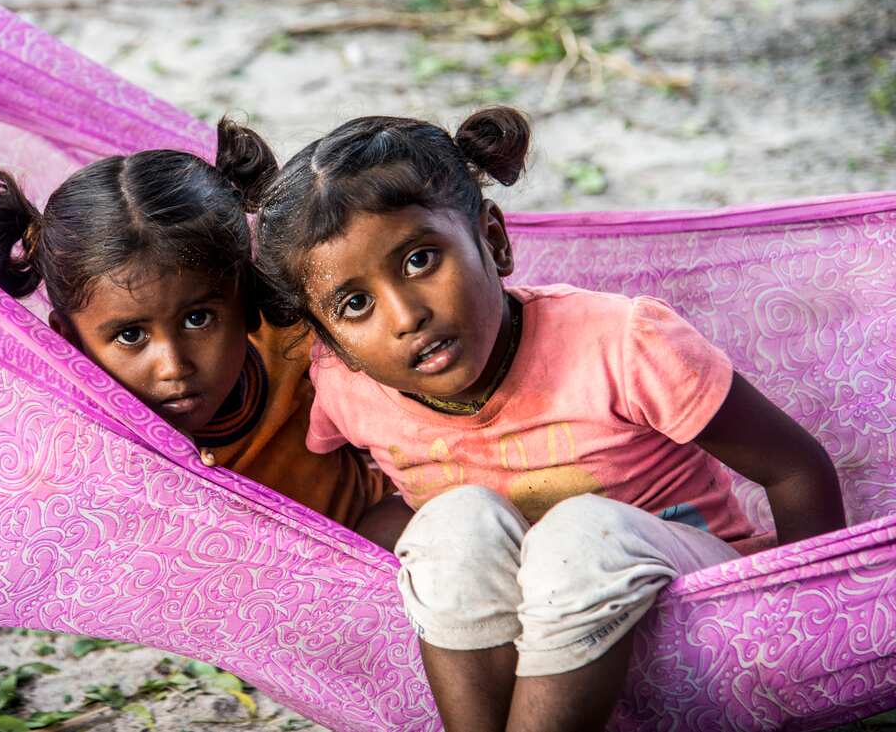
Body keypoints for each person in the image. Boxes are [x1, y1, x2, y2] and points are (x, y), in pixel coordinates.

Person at [245, 107, 846, 731]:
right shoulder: (348, 389)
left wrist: (808, 628)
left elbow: (795, 469)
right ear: (329, 342)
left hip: (704, 615)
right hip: (532, 637)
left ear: (494, 241)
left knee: (580, 531)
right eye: (355, 303)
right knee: (452, 520)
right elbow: (354, 491)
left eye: (421, 260)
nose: (404, 316)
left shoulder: (624, 345)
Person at [0, 117, 395, 534]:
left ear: (247, 302)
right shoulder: (81, 458)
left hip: (370, 554)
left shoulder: (301, 351)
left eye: (197, 319)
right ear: (69, 341)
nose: (174, 365)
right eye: (130, 336)